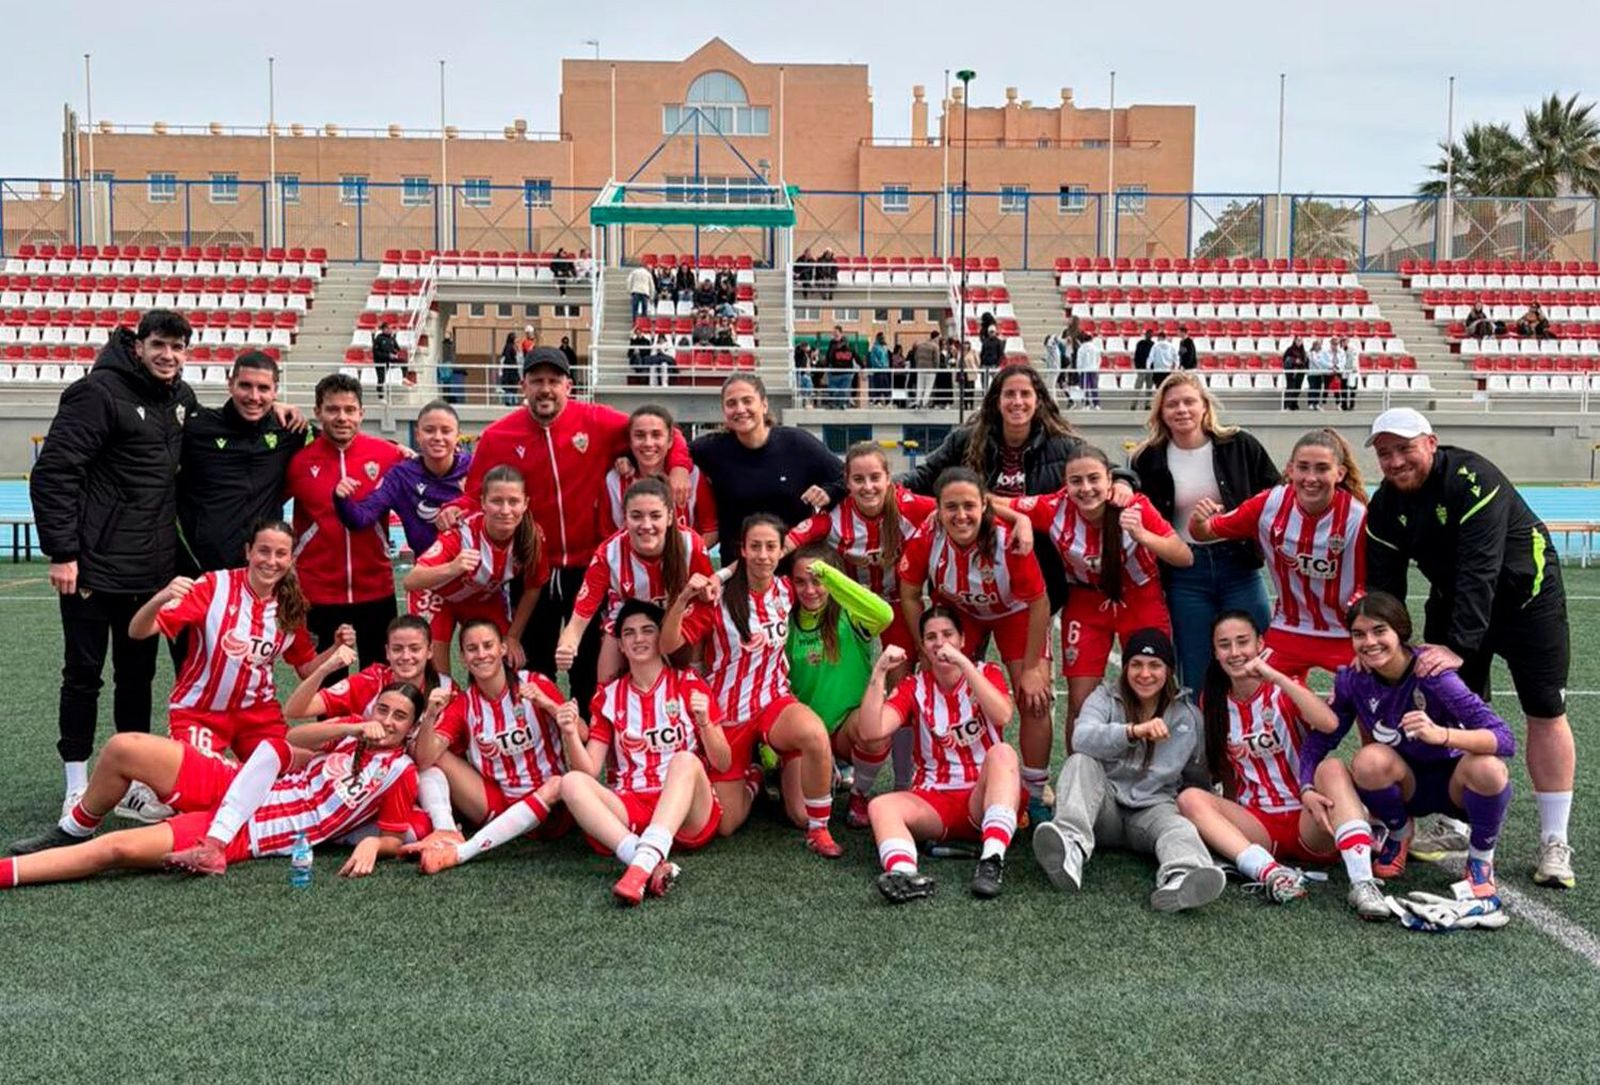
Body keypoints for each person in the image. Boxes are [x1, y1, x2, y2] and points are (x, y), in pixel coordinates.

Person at [1364, 408, 1575, 887]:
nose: (1396, 461)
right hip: (1456, 598)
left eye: (1405, 448)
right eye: (1385, 453)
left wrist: (1458, 644)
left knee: (1544, 709)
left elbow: (1482, 567)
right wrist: (1384, 644)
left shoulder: (1472, 478)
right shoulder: (1385, 507)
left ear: (1432, 444)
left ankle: (1554, 841)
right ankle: (1459, 821)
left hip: (1528, 597)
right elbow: (1385, 588)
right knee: (1455, 709)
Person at [441, 345, 693, 721]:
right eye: (537, 381)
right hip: (530, 571)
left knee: (588, 666)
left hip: (587, 568)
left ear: (569, 386)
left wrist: (679, 466)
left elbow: (657, 429)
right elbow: (475, 495)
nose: (545, 389)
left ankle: (589, 749)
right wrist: (455, 510)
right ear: (522, 385)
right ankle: (539, 749)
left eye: (553, 381)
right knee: (532, 664)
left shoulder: (596, 421)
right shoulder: (498, 436)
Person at [3, 683, 436, 885]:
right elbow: (288, 741)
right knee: (124, 747)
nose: (388, 721)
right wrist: (353, 728)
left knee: (114, 850)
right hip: (243, 786)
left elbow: (398, 833)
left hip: (254, 829)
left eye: (400, 717)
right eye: (383, 710)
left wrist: (373, 845)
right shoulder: (348, 736)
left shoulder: (399, 771)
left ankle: (214, 844)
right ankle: (71, 827)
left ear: (412, 728)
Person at [31, 309, 201, 816]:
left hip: (149, 573)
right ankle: (77, 785)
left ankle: (131, 782)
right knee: (83, 675)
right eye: (158, 345)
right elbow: (54, 472)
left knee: (137, 679)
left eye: (177, 348)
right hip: (93, 567)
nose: (168, 356)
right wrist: (63, 553)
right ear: (137, 346)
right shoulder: (98, 392)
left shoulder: (181, 399)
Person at [1298, 593, 1516, 919]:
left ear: (1399, 631)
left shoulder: (1433, 673)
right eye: (1359, 634)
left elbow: (1504, 739)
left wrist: (1441, 735)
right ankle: (1399, 834)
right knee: (1368, 761)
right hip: (1406, 786)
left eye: (1379, 631)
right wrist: (1306, 786)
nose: (1369, 642)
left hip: (1455, 786)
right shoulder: (1352, 680)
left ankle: (1481, 860)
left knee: (1489, 768)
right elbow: (1321, 740)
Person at [660, 515, 843, 856]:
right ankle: (757, 774)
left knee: (812, 753)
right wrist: (688, 595)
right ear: (742, 550)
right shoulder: (716, 597)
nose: (763, 555)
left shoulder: (788, 590)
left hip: (773, 703)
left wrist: (725, 568)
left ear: (781, 550)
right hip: (727, 714)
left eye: (771, 547)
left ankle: (820, 830)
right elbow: (668, 646)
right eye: (755, 546)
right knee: (727, 824)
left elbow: (820, 524)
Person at [1177, 611, 1380, 908]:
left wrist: (1277, 676)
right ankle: (1272, 874)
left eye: (1242, 642)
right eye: (1224, 645)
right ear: (1215, 652)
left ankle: (1363, 883)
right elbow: (1228, 771)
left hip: (1308, 818)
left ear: (1260, 644)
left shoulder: (1284, 689)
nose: (1234, 652)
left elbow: (1329, 724)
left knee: (1332, 767)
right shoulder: (1213, 699)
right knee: (1190, 799)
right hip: (1259, 824)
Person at [1032, 628, 1224, 911]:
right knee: (1079, 762)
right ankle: (1070, 846)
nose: (1145, 674)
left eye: (1155, 665)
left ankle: (1181, 877)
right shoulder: (1104, 697)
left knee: (1179, 828)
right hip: (1103, 806)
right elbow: (1080, 738)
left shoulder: (1188, 716)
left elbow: (1198, 775)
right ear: (1125, 668)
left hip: (1153, 809)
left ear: (1168, 670)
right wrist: (1132, 732)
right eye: (1136, 664)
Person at [1013, 445, 1192, 748]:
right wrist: (1021, 520)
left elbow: (1184, 556)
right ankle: (1080, 781)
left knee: (1150, 691)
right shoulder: (1054, 507)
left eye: (1094, 479)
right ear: (1065, 484)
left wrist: (1143, 536)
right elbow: (988, 501)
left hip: (1139, 597)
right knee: (1081, 703)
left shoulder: (1135, 506)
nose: (1086, 489)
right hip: (1086, 603)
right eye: (1076, 481)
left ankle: (1155, 779)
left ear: (1110, 480)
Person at [555, 600, 731, 905]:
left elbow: (722, 762)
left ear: (660, 637)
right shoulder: (608, 697)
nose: (639, 639)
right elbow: (590, 769)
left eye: (648, 631)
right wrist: (570, 734)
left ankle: (639, 866)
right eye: (629, 633)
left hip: (688, 810)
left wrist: (705, 725)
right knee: (570, 783)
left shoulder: (689, 683)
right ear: (620, 645)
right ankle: (644, 860)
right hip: (632, 806)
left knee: (685, 760)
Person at [898, 468, 1051, 816]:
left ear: (985, 505)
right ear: (937, 509)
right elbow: (909, 593)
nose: (961, 515)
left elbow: (1039, 602)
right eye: (951, 507)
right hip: (960, 612)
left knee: (1035, 697)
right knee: (943, 687)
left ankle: (1037, 792)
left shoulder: (1008, 538)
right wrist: (926, 649)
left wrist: (1031, 668)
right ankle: (949, 775)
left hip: (1013, 612)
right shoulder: (927, 535)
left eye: (969, 505)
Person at [857, 608, 1022, 903]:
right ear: (923, 646)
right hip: (935, 801)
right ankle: (906, 875)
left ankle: (992, 860)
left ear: (962, 639)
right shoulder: (914, 686)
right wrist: (879, 672)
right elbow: (871, 731)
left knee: (1003, 753)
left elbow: (1003, 714)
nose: (939, 642)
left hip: (984, 797)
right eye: (930, 637)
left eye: (947, 635)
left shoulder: (987, 673)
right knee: (881, 806)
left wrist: (963, 664)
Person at [1129, 372, 1278, 690]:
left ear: (1204, 406)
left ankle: (1265, 733)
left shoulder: (1239, 444)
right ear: (1161, 413)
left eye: (1189, 401)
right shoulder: (1147, 457)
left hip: (1238, 565)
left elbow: (1275, 495)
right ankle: (1203, 739)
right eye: (1172, 405)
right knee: (1197, 668)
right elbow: (1131, 493)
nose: (1181, 410)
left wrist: (1239, 519)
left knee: (1261, 659)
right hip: (1185, 572)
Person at [1189, 428, 1368, 683]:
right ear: (1290, 469)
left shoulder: (1357, 517)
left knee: (1372, 696)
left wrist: (1365, 637)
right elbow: (1204, 533)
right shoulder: (1268, 505)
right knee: (1254, 686)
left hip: (1345, 632)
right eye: (1303, 467)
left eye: (1322, 468)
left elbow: (1369, 585)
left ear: (1340, 473)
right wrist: (1198, 520)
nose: (1311, 477)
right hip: (1289, 628)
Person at [406, 619, 571, 873]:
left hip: (553, 809)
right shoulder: (463, 703)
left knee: (559, 783)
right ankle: (447, 831)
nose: (481, 654)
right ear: (462, 658)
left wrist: (548, 704)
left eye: (488, 645)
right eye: (472, 649)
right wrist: (429, 716)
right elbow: (425, 759)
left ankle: (461, 853)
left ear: (503, 649)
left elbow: (581, 732)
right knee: (437, 755)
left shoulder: (534, 682)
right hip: (500, 803)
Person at [286, 373, 407, 671]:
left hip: (376, 590)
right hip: (317, 593)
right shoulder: (298, 462)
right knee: (327, 690)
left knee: (381, 682)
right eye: (332, 409)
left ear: (361, 413)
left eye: (350, 410)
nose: (342, 417)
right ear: (318, 412)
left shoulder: (389, 455)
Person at [560, 477, 713, 685]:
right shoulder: (609, 553)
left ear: (670, 517)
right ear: (625, 518)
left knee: (690, 673)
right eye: (636, 516)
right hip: (630, 616)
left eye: (655, 516)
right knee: (606, 681)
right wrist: (568, 643)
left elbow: (706, 602)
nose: (646, 525)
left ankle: (696, 699)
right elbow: (582, 611)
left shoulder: (690, 544)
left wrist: (679, 639)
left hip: (677, 615)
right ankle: (611, 712)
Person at [785, 546, 894, 828]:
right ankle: (785, 770)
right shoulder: (785, 619)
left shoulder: (851, 615)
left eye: (817, 580)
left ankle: (859, 792)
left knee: (875, 732)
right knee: (802, 817)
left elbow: (885, 614)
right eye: (800, 581)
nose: (810, 590)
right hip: (805, 733)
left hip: (846, 727)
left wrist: (831, 577)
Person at [402, 465, 548, 676]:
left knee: (504, 662)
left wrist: (513, 636)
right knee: (437, 676)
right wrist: (453, 567)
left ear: (525, 504)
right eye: (496, 501)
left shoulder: (531, 538)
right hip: (437, 596)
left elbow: (533, 588)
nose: (505, 510)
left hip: (480, 597)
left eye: (513, 502)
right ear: (483, 503)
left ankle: (482, 705)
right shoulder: (462, 535)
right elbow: (411, 580)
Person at [175, 350, 306, 581]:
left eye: (263, 388)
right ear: (230, 384)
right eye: (245, 386)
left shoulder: (291, 430)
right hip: (200, 570)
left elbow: (337, 442)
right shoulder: (196, 427)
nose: (254, 396)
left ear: (275, 391)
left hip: (260, 571)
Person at [691, 373, 844, 553]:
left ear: (764, 405)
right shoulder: (713, 449)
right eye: (731, 403)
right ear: (724, 411)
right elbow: (672, 445)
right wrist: (678, 469)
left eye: (747, 401)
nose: (740, 409)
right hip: (739, 569)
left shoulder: (796, 442)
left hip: (795, 566)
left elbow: (846, 476)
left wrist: (829, 492)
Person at [336, 400, 470, 559]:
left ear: (457, 436)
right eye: (429, 430)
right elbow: (360, 519)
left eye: (446, 431)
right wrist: (341, 499)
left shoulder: (475, 469)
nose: (437, 437)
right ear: (418, 435)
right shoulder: (402, 476)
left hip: (476, 574)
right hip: (430, 576)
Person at [284, 613, 453, 722]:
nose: (406, 656)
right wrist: (324, 669)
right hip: (372, 766)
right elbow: (295, 710)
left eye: (415, 649)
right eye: (397, 649)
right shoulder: (370, 680)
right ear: (387, 652)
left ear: (430, 651)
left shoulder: (447, 689)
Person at [598, 405, 718, 543]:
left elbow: (711, 531)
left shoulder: (691, 476)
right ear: (629, 442)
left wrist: (683, 558)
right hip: (630, 564)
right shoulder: (614, 480)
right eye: (640, 435)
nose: (648, 443)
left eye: (656, 435)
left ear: (670, 441)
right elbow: (607, 536)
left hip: (682, 562)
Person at [825, 326, 857, 408]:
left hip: (843, 370)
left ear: (840, 333)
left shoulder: (845, 343)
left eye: (836, 332)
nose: (834, 334)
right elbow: (829, 354)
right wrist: (826, 365)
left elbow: (851, 355)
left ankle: (842, 403)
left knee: (843, 388)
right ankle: (834, 403)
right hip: (832, 368)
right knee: (833, 387)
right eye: (833, 333)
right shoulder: (831, 343)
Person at [910, 330, 941, 408]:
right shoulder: (935, 346)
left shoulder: (921, 345)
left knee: (920, 386)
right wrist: (936, 369)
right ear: (936, 337)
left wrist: (918, 366)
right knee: (928, 388)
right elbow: (936, 360)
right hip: (930, 370)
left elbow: (916, 357)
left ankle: (918, 402)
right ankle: (924, 403)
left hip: (920, 368)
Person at [371, 320, 403, 389]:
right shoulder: (379, 338)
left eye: (391, 328)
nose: (390, 330)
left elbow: (397, 349)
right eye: (388, 328)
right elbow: (376, 353)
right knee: (381, 379)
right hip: (380, 362)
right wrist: (388, 355)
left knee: (403, 362)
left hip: (390, 360)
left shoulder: (392, 338)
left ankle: (404, 378)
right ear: (383, 329)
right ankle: (380, 396)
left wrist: (395, 353)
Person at [1075, 332, 1102, 409]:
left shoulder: (1081, 348)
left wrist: (1079, 371)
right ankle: (1096, 404)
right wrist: (1097, 367)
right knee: (1094, 387)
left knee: (1084, 388)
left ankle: (1086, 404)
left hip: (1084, 370)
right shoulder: (1095, 348)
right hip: (1093, 369)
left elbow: (1079, 361)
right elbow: (1099, 359)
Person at [1130, 329, 1156, 410]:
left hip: (1150, 370)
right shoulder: (1140, 343)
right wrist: (1138, 367)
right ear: (1146, 335)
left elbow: (1154, 357)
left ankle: (1147, 404)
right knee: (1138, 387)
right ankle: (1133, 404)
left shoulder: (1154, 345)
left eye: (1151, 334)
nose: (1149, 336)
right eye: (1148, 334)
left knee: (1149, 388)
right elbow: (1136, 356)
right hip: (1141, 368)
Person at [1281, 336, 1308, 411]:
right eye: (1298, 340)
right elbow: (1285, 359)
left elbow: (1305, 360)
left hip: (1300, 372)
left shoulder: (1303, 350)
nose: (1299, 342)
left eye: (1301, 340)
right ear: (1295, 341)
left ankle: (1294, 404)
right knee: (1290, 388)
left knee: (1297, 389)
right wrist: (1294, 361)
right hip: (1292, 372)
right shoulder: (1290, 349)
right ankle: (1287, 405)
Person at [437, 335, 464, 405]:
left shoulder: (443, 347)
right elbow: (452, 357)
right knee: (447, 385)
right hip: (447, 367)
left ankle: (445, 398)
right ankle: (446, 398)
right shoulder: (449, 348)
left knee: (445, 385)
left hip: (445, 367)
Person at [1305, 338, 1332, 410]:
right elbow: (1315, 362)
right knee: (1312, 388)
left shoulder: (1322, 353)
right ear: (1314, 345)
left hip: (1319, 374)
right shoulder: (1310, 353)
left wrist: (1329, 366)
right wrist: (1324, 367)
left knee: (1318, 388)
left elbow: (1325, 361)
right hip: (1312, 374)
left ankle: (1316, 403)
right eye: (1317, 345)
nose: (1319, 346)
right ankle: (1310, 403)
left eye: (1320, 345)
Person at [1335, 336, 1359, 411]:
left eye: (1345, 341)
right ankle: (1344, 405)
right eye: (1342, 341)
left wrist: (1354, 367)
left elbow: (1355, 358)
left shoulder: (1353, 348)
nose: (1344, 343)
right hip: (1344, 372)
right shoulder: (1339, 350)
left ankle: (1352, 405)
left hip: (1352, 372)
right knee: (1343, 389)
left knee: (1352, 389)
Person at [867, 331, 891, 405]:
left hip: (885, 370)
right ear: (879, 338)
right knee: (879, 386)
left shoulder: (883, 347)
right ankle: (877, 401)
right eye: (883, 338)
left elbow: (886, 358)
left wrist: (887, 366)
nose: (884, 339)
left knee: (886, 386)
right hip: (879, 370)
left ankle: (887, 401)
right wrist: (881, 366)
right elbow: (874, 360)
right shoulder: (875, 348)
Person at [498, 332, 521, 406]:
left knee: (510, 385)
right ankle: (511, 400)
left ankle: (512, 400)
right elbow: (510, 358)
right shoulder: (510, 347)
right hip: (511, 370)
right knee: (511, 385)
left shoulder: (509, 346)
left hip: (510, 370)